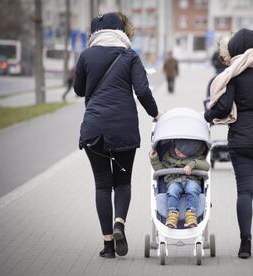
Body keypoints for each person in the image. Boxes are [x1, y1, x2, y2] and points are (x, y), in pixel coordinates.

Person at [73, 12, 161, 259]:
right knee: (123, 182)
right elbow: (143, 91)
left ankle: (108, 246)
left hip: (94, 128)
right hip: (123, 128)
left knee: (102, 185)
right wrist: (156, 114)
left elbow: (79, 90)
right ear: (120, 32)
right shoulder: (129, 55)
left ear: (95, 34)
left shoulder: (86, 56)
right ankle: (119, 223)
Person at [204, 28, 253, 259]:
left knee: (244, 191)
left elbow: (224, 107)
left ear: (236, 49)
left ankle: (244, 244)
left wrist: (207, 116)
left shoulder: (233, 73)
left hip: (241, 141)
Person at [149, 139, 210, 228]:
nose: (178, 153)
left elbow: (206, 166)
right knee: (172, 191)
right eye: (178, 149)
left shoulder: (197, 158)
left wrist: (192, 164)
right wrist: (154, 159)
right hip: (174, 180)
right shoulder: (169, 156)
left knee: (192, 189)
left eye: (182, 153)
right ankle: (172, 215)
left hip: (192, 180)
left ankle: (191, 214)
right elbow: (161, 169)